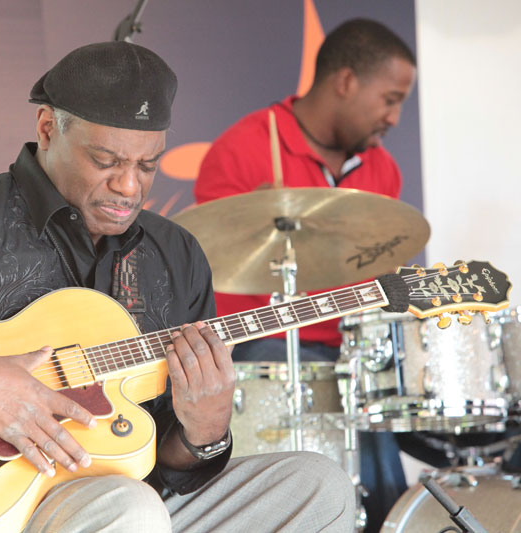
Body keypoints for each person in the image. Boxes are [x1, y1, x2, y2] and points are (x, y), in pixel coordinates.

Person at [0, 42, 354, 532]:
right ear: (48, 128)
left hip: (126, 504)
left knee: (317, 486)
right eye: (106, 160)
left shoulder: (176, 256)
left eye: (148, 166)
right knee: (132, 510)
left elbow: (168, 469)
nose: (129, 185)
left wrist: (204, 433)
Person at [194, 18, 417, 532]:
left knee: (389, 391)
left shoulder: (383, 169)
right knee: (333, 383)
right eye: (389, 98)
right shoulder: (244, 148)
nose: (396, 116)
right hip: (263, 349)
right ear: (345, 82)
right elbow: (219, 266)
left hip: (351, 354)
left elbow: (384, 278)